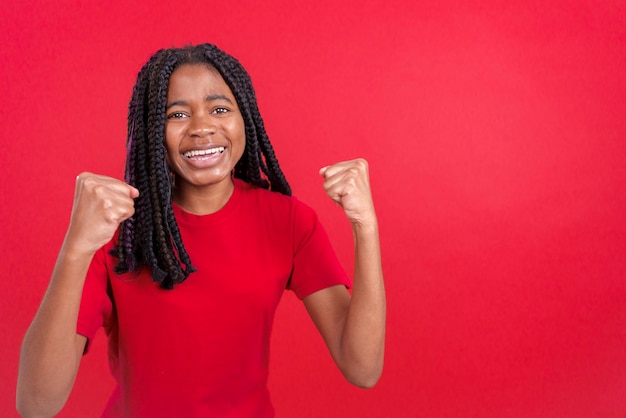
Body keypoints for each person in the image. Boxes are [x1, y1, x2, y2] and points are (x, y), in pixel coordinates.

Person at [16, 43, 385, 418]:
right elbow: (36, 405)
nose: (202, 127)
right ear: (151, 131)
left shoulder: (288, 221)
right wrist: (76, 248)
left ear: (247, 119)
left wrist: (365, 227)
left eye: (220, 109)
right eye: (176, 114)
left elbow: (362, 369)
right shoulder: (116, 231)